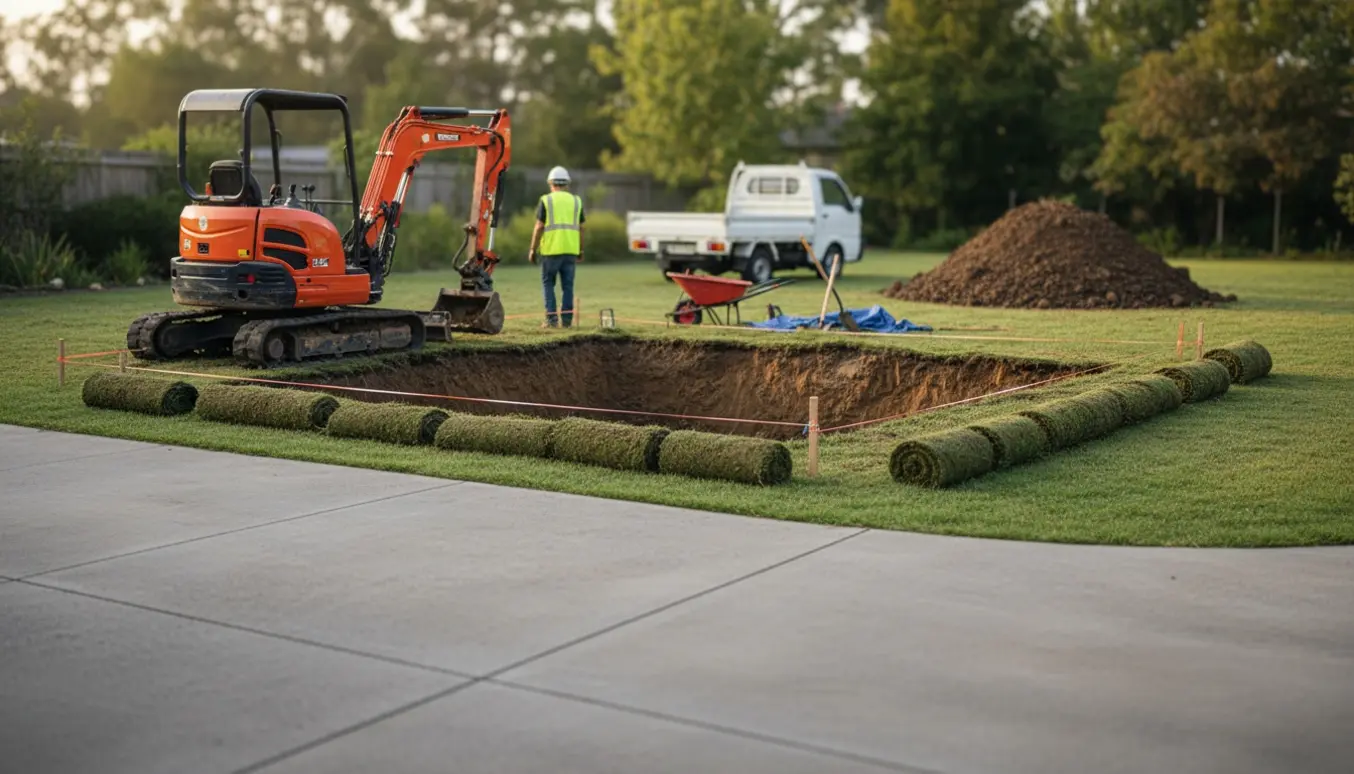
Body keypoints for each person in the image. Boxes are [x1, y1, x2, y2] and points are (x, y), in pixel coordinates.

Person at [528, 166, 585, 328]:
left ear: (550, 183)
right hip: (570, 251)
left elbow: (539, 226)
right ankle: (567, 322)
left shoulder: (546, 200)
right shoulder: (576, 201)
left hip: (551, 251)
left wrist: (533, 249)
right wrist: (581, 249)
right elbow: (581, 228)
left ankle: (551, 320)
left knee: (548, 284)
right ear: (567, 184)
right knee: (568, 286)